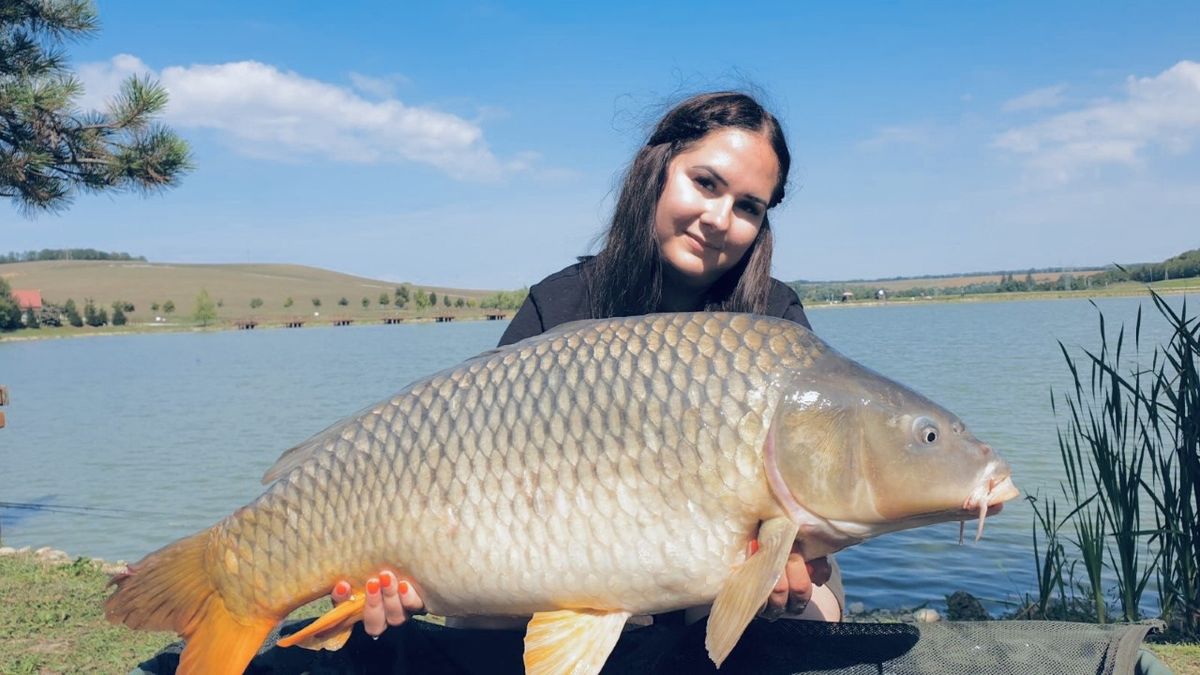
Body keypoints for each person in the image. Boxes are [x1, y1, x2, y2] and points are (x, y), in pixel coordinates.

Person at [334, 91, 844, 639]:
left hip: (718, 557)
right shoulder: (559, 304)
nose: (720, 219)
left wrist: (782, 562)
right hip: (565, 554)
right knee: (478, 614)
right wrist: (428, 567)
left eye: (749, 206)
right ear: (656, 172)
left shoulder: (773, 317)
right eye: (706, 183)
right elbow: (468, 462)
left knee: (812, 608)